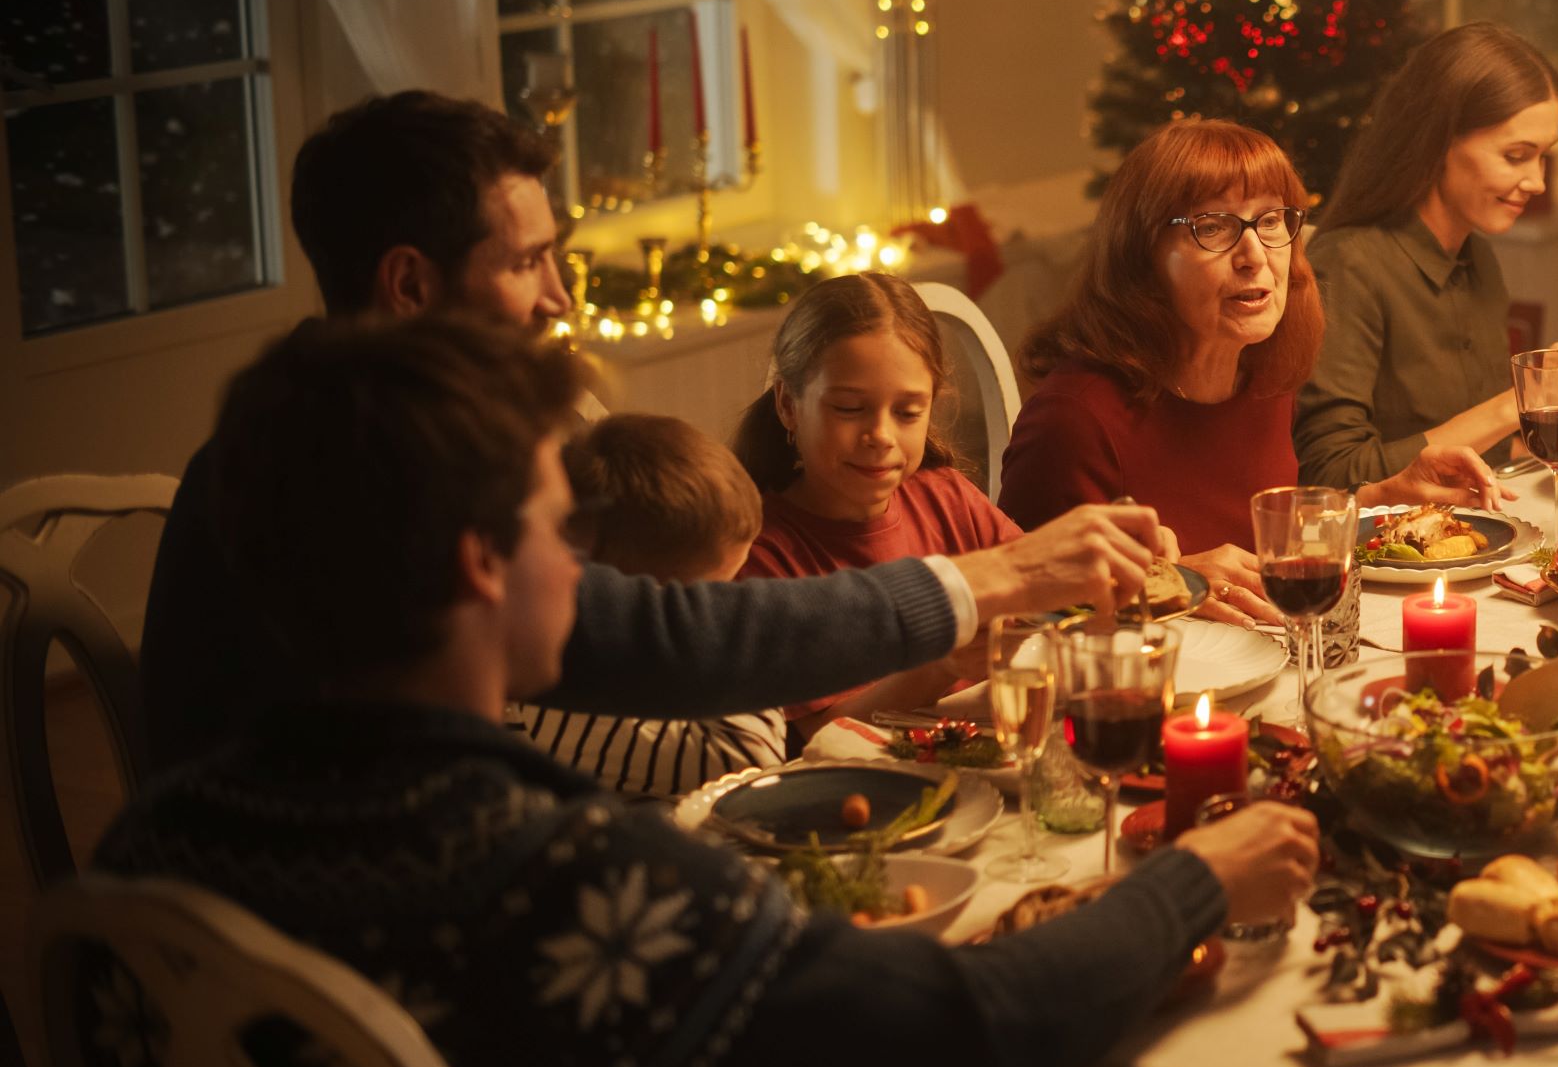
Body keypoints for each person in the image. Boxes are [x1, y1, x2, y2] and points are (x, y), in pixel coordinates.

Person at [87, 316, 1321, 1067]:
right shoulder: (577, 878)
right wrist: (1195, 880)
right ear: (484, 564)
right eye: (559, 528)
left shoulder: (146, 849)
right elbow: (980, 1028)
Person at [141, 92, 1166, 770]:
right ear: (410, 283)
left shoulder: (347, 430)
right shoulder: (358, 478)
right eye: (526, 261)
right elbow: (661, 638)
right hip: (335, 970)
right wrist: (997, 577)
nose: (556, 297)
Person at [1001, 119, 1503, 553]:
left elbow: (1261, 543)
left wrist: (1378, 500)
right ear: (1141, 258)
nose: (1255, 255)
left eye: (1270, 221)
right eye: (1215, 228)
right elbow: (1022, 622)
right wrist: (1180, 583)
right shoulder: (1075, 421)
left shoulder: (1259, 376)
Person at [732, 271, 1174, 739]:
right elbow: (818, 739)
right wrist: (938, 667)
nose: (881, 436)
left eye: (906, 413)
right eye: (848, 408)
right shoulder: (762, 559)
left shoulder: (948, 497)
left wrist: (1127, 565)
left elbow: (1052, 604)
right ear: (788, 405)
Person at [1295, 22, 1558, 487]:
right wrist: (1522, 399)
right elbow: (1331, 477)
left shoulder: (1475, 255)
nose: (1537, 181)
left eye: (1543, 156)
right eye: (1516, 155)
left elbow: (1500, 450)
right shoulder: (1350, 263)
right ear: (1437, 143)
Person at [507, 413, 789, 797]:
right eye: (708, 596)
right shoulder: (562, 689)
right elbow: (748, 758)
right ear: (625, 597)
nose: (723, 605)